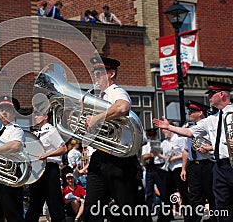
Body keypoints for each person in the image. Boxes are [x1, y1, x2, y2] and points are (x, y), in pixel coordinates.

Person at [153, 81, 233, 222]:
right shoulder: (211, 119)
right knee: (221, 202)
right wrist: (169, 127)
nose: (209, 97)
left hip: (230, 164)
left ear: (221, 94)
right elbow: (189, 132)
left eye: (211, 94)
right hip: (220, 166)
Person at [83, 56, 148, 222]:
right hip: (100, 157)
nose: (95, 77)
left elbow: (123, 107)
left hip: (119, 159)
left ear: (111, 74)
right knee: (92, 207)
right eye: (94, 73)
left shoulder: (116, 92)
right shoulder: (98, 97)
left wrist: (97, 118)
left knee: (127, 209)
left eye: (99, 73)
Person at [25, 103, 67, 222]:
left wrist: (47, 155)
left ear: (45, 117)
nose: (34, 116)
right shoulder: (36, 132)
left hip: (50, 169)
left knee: (54, 203)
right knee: (35, 204)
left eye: (37, 114)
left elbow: (63, 148)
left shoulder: (51, 130)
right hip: (38, 170)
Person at [180, 100, 215, 222]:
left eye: (192, 111)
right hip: (194, 166)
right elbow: (186, 150)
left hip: (208, 164)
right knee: (194, 197)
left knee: (211, 195)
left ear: (200, 113)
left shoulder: (208, 126)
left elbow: (217, 144)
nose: (189, 113)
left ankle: (214, 218)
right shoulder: (189, 128)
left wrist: (207, 149)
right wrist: (184, 168)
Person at [141, 128, 166, 211]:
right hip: (150, 168)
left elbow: (165, 155)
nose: (152, 137)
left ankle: (166, 210)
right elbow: (144, 157)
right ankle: (148, 210)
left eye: (153, 135)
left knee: (162, 189)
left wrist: (158, 153)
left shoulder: (161, 143)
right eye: (150, 135)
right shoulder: (146, 144)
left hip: (159, 166)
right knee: (149, 191)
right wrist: (151, 154)